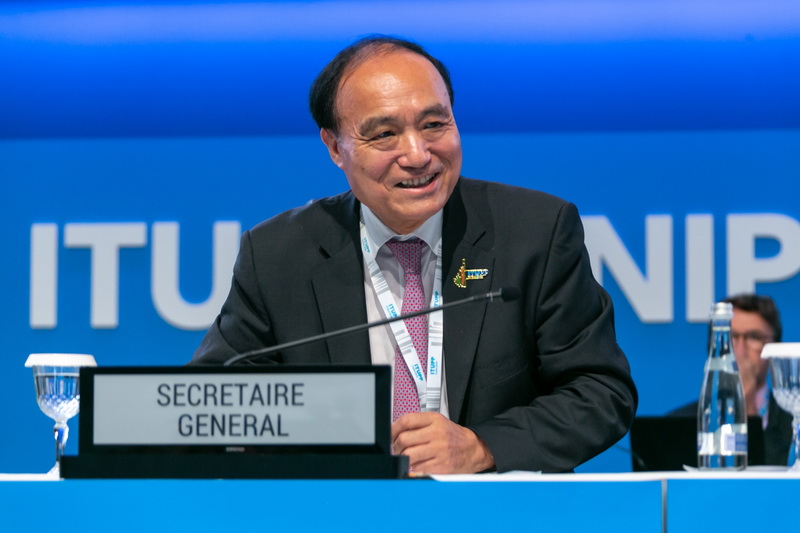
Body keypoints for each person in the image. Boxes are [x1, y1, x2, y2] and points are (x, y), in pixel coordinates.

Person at [192, 35, 637, 474]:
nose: (418, 154)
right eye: (385, 134)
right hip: (343, 506)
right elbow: (215, 407)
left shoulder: (535, 232)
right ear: (334, 147)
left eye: (434, 124)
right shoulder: (278, 255)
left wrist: (482, 447)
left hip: (496, 506)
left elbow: (600, 391)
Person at [671, 294, 792, 465]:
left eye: (754, 337)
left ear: (775, 349)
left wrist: (746, 409)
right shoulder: (677, 425)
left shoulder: (794, 422)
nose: (739, 350)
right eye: (730, 336)